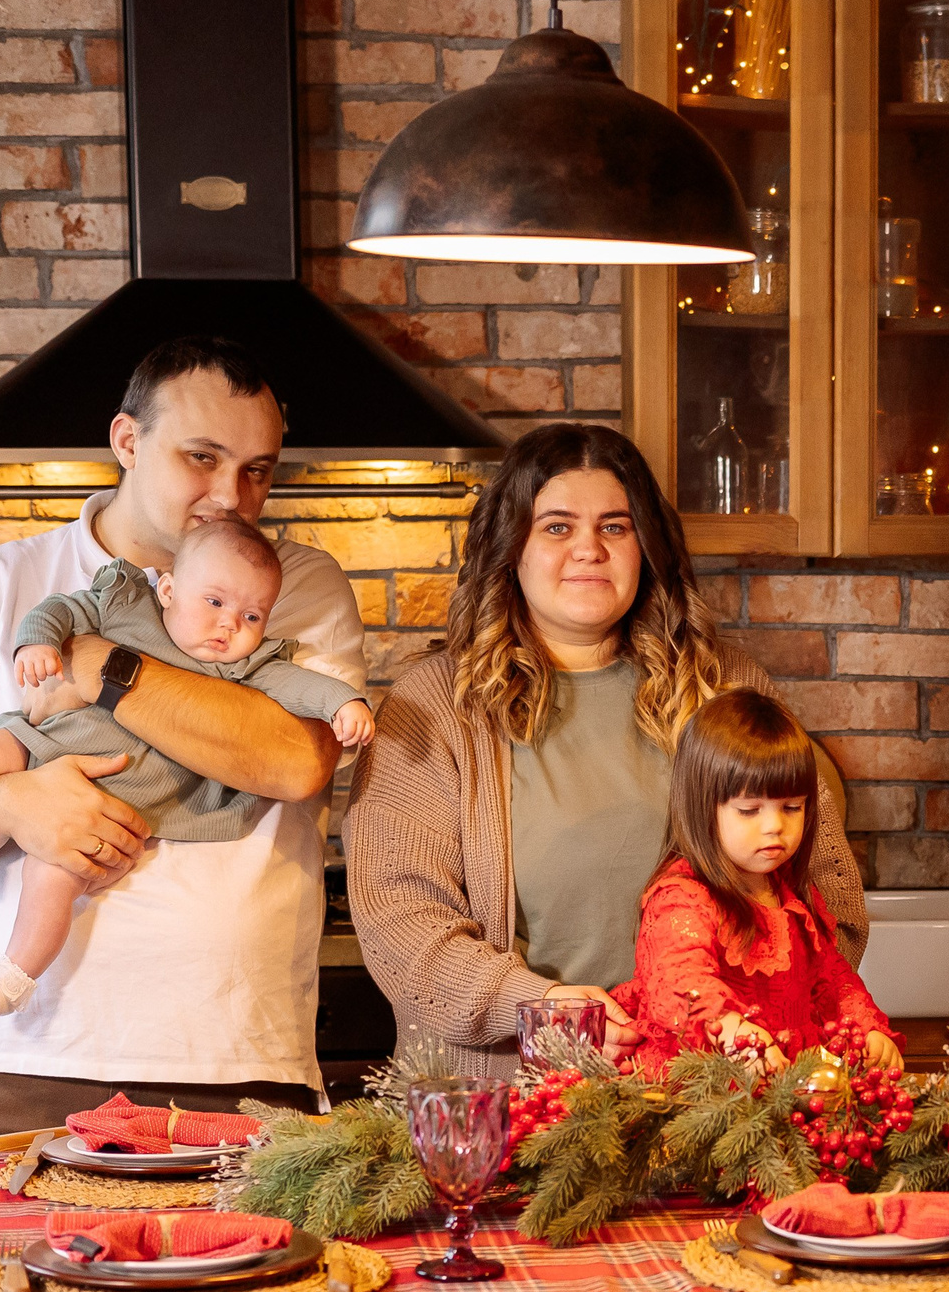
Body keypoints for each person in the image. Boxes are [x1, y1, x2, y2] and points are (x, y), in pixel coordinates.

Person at [0, 336, 365, 1143]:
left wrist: (104, 663)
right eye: (202, 457)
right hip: (15, 1058)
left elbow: (294, 759)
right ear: (127, 440)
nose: (231, 495)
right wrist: (11, 806)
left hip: (237, 1057)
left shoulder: (290, 586)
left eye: (258, 469)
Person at [344, 422, 867, 1081]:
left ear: (647, 546)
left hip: (714, 1098)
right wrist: (538, 1005)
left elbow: (828, 894)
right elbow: (402, 924)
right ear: (512, 548)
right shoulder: (434, 708)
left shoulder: (727, 688)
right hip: (512, 1102)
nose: (589, 549)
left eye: (615, 527)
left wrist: (743, 1016)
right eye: (557, 526)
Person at [0, 521, 374, 1019]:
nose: (229, 626)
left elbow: (301, 689)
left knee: (53, 877)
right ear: (170, 589)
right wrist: (37, 643)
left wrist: (343, 704)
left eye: (252, 616)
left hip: (118, 797)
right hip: (39, 745)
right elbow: (60, 611)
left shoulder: (247, 667)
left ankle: (11, 976)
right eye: (215, 603)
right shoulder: (125, 603)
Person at [611, 689, 897, 1075]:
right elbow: (679, 981)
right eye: (749, 810)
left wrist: (866, 1030)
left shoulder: (791, 896)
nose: (774, 826)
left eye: (792, 807)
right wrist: (732, 1032)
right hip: (700, 1094)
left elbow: (833, 980)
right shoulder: (682, 897)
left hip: (781, 1089)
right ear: (702, 807)